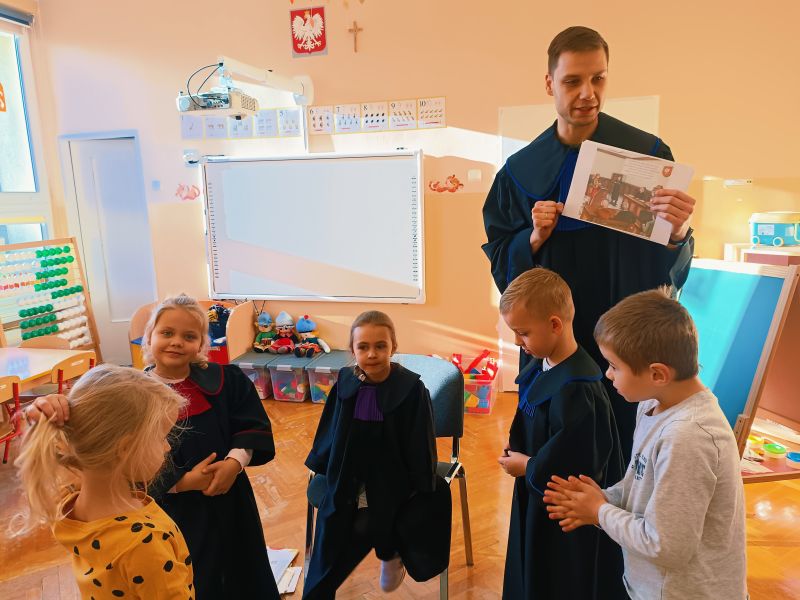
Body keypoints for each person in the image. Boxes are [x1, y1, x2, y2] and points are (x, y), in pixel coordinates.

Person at [482, 25, 696, 460]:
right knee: (554, 460)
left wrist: (676, 233)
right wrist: (533, 238)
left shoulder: (647, 155)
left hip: (628, 338)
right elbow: (502, 260)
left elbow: (667, 269)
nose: (587, 93)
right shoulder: (519, 172)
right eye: (572, 81)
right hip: (555, 341)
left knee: (624, 455)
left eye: (598, 79)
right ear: (549, 84)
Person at [544, 289, 747, 600]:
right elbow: (641, 486)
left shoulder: (688, 437)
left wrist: (599, 512)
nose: (607, 374)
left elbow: (665, 546)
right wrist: (603, 498)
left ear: (657, 374)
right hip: (653, 587)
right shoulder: (653, 404)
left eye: (615, 366)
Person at [496, 268, 625, 599]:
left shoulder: (577, 390)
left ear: (555, 324)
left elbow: (577, 463)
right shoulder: (543, 364)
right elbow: (531, 415)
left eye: (523, 333)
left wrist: (527, 466)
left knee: (553, 578)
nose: (517, 342)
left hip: (560, 517)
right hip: (533, 498)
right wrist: (517, 442)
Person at [303, 310, 451, 599]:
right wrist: (324, 466)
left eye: (380, 346)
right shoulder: (346, 383)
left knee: (365, 526)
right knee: (331, 528)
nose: (372, 354)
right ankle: (378, 556)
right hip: (348, 477)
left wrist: (420, 482)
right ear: (352, 350)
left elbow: (420, 442)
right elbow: (332, 431)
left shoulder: (411, 390)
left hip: (393, 480)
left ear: (393, 347)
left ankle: (388, 552)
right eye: (363, 347)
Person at [141, 294, 280, 600]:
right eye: (167, 333)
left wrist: (234, 464)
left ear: (201, 344)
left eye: (189, 336)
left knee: (244, 567)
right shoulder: (133, 395)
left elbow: (251, 427)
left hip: (231, 497)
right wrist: (180, 482)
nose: (177, 342)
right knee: (195, 575)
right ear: (149, 337)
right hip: (173, 508)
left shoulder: (226, 380)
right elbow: (128, 461)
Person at [15, 364, 195, 599]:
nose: (167, 447)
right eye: (161, 438)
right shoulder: (143, 543)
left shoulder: (69, 504)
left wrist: (50, 416)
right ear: (126, 448)